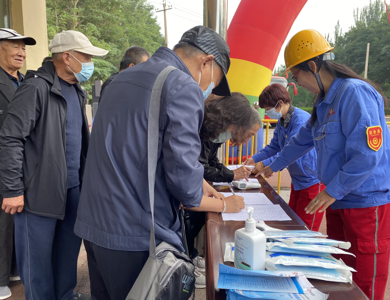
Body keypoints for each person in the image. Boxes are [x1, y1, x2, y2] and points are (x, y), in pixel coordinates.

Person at [74, 26, 244, 299]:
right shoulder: (182, 86)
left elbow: (132, 150)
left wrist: (199, 179)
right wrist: (226, 204)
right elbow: (187, 192)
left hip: (94, 226)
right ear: (206, 62)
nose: (208, 88)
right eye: (214, 80)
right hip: (136, 235)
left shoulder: (120, 79)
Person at [256, 29, 390, 300]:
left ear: (313, 65)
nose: (297, 87)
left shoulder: (355, 94)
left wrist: (331, 191)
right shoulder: (324, 102)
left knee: (365, 278)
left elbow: (368, 155)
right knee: (340, 272)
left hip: (368, 202)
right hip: (338, 199)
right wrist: (272, 167)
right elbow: (301, 140)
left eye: (297, 77)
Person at [0, 30, 108, 300]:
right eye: (86, 57)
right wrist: (12, 189)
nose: (90, 63)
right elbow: (11, 138)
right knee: (37, 263)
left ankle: (65, 295)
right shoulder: (35, 88)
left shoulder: (76, 90)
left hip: (72, 191)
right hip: (38, 193)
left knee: (67, 254)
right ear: (67, 57)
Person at [186, 92, 262, 283]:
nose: (246, 141)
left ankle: (190, 255)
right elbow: (189, 185)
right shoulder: (198, 129)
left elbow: (202, 166)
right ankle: (186, 261)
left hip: (191, 191)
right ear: (236, 122)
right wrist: (226, 205)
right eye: (249, 135)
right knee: (191, 220)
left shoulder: (214, 133)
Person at [244, 84, 324, 231]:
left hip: (312, 181)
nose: (267, 113)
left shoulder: (300, 120)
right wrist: (254, 159)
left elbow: (289, 151)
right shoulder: (283, 121)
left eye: (268, 109)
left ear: (279, 104)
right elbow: (274, 146)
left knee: (305, 229)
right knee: (292, 222)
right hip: (298, 181)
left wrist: (266, 165)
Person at [0, 28, 36, 300]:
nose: (22, 52)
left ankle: (12, 269)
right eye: (15, 46)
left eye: (23, 47)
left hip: (22, 162)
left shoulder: (26, 81)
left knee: (14, 220)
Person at [199, 92, 261, 183]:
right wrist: (232, 174)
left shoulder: (216, 130)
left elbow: (211, 160)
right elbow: (200, 168)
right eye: (249, 135)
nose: (247, 140)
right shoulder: (204, 128)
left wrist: (231, 173)